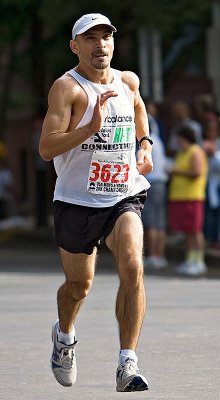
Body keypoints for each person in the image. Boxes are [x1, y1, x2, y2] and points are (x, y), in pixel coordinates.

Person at [39, 13, 153, 392]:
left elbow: (139, 109)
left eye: (106, 37)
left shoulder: (127, 80)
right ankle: (65, 335)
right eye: (90, 39)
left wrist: (145, 144)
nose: (100, 44)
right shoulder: (67, 89)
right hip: (76, 201)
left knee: (134, 264)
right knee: (78, 286)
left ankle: (127, 364)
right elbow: (45, 148)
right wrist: (89, 128)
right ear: (75, 46)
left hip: (124, 194)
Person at [167, 126, 208, 277]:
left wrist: (176, 171)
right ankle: (190, 259)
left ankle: (199, 260)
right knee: (187, 230)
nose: (177, 142)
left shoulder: (196, 151)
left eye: (179, 138)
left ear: (186, 138)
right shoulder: (181, 153)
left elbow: (197, 172)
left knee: (195, 230)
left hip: (192, 196)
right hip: (180, 196)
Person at [142, 113, 168, 269]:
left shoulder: (146, 143)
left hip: (151, 183)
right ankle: (160, 255)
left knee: (150, 221)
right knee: (160, 222)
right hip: (162, 182)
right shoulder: (158, 141)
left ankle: (152, 255)